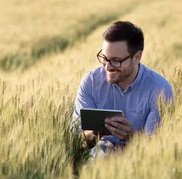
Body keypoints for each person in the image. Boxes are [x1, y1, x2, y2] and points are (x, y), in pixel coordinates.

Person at [72, 21, 173, 159]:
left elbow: (156, 148)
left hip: (140, 163)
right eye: (104, 58)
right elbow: (76, 142)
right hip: (96, 165)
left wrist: (130, 136)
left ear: (137, 57)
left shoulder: (159, 90)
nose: (107, 67)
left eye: (116, 61)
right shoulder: (91, 82)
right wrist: (93, 134)